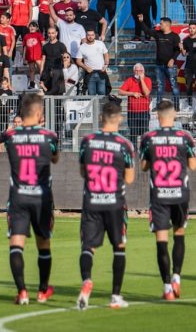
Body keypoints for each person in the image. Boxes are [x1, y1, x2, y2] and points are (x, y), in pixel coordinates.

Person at [0, 93, 60, 305]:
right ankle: (42, 291)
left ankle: (22, 291)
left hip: (18, 196)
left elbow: (1, 143)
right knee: (44, 244)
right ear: (40, 113)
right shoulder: (49, 136)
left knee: (16, 243)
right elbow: (55, 158)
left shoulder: (11, 135)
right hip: (41, 197)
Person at [76, 101, 136, 311]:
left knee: (88, 247)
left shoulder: (88, 141)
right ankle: (115, 296)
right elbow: (129, 179)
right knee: (119, 247)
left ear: (101, 118)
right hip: (114, 203)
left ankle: (86, 282)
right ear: (119, 118)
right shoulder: (124, 144)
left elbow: (83, 171)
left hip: (92, 200)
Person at [139, 99, 196, 301]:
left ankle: (166, 288)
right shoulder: (184, 137)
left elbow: (144, 167)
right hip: (180, 193)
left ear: (157, 116)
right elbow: (193, 165)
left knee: (161, 240)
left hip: (159, 195)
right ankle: (177, 277)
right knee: (179, 233)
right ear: (173, 116)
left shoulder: (149, 138)